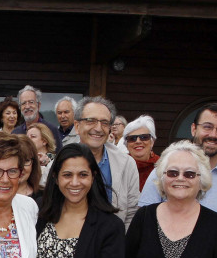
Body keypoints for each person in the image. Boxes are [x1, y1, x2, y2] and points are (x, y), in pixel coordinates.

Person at [139, 103, 217, 217]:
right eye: (207, 127)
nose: (213, 134)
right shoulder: (165, 171)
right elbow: (145, 220)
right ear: (193, 129)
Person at [74, 96, 139, 229]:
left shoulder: (126, 164)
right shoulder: (60, 162)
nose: (98, 128)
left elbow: (132, 212)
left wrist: (119, 243)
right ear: (77, 126)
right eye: (90, 121)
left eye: (104, 122)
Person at [11, 85, 63, 151]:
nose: (27, 106)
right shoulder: (15, 133)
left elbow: (59, 157)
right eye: (23, 103)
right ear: (20, 107)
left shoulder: (51, 129)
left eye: (31, 102)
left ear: (38, 105)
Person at [120, 115, 159, 191]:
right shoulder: (119, 166)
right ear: (126, 144)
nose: (138, 141)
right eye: (132, 138)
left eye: (144, 137)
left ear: (152, 142)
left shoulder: (162, 166)